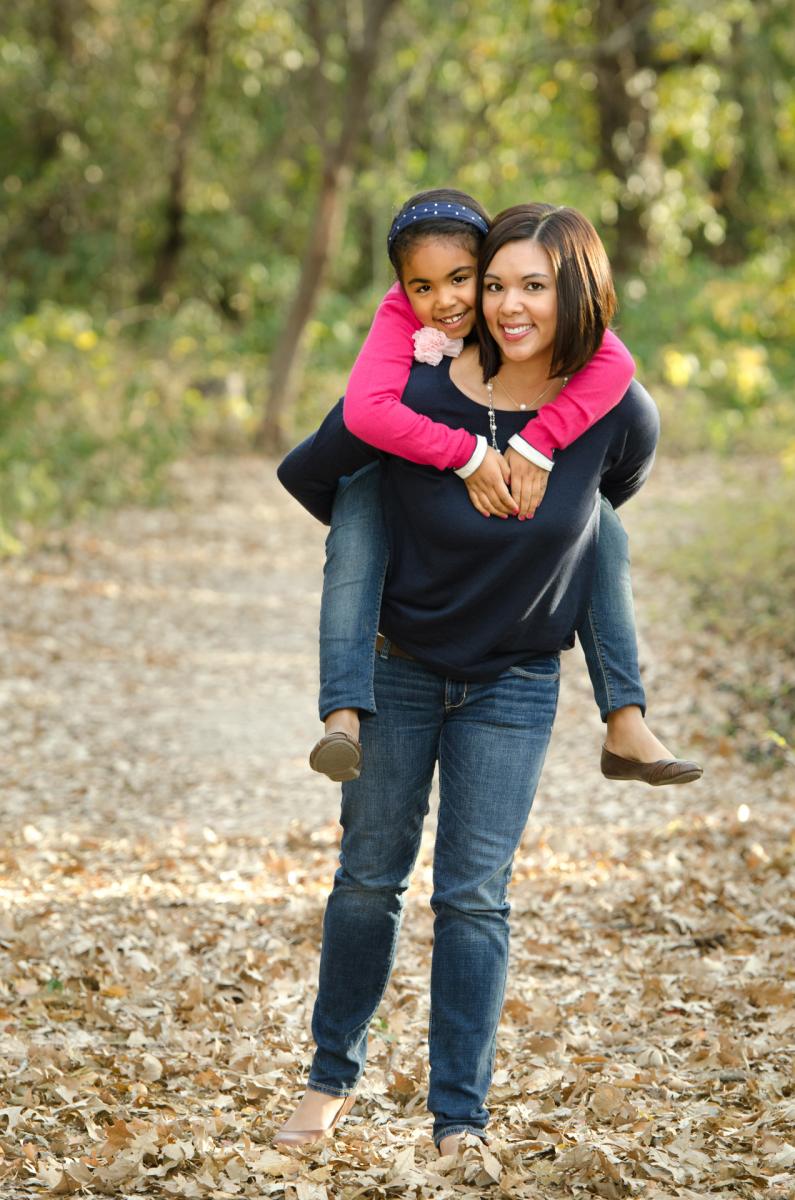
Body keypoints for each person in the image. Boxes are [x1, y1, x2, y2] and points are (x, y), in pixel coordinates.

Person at [275, 203, 668, 1154]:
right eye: (495, 284)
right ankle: (331, 1078)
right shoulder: (415, 381)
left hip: (514, 680)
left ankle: (459, 1116)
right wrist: (442, 448)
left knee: (473, 897)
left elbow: (607, 503)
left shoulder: (609, 404)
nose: (501, 303)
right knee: (368, 880)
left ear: (573, 292)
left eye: (529, 286)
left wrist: (539, 462)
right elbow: (317, 469)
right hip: (398, 669)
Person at [305, 188, 701, 789]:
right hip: (385, 481)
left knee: (599, 518)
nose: (447, 301)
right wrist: (464, 456)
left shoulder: (608, 388)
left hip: (512, 667)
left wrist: (540, 443)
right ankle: (342, 712)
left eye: (467, 279)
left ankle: (625, 716)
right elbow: (360, 417)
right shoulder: (403, 318)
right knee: (363, 496)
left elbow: (615, 364)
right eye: (425, 287)